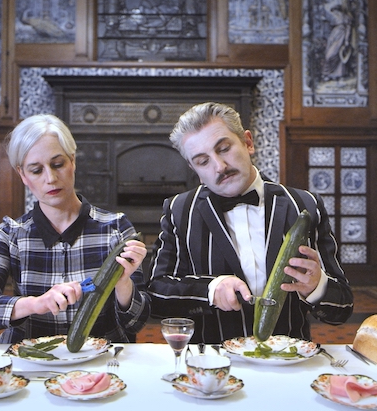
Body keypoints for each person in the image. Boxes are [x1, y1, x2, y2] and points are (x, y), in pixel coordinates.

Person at [147, 102, 353, 343]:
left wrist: (317, 286)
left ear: (248, 142)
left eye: (224, 149)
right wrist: (210, 290)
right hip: (213, 360)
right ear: (194, 169)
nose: (220, 167)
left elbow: (342, 307)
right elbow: (156, 295)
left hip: (285, 358)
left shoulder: (305, 205)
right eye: (203, 161)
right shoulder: (179, 210)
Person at [0, 114, 150, 344]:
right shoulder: (9, 234)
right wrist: (35, 304)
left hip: (100, 357)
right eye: (36, 170)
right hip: (30, 356)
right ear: (23, 175)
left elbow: (137, 322)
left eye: (58, 164)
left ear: (72, 161)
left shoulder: (116, 229)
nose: (50, 178)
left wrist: (123, 284)